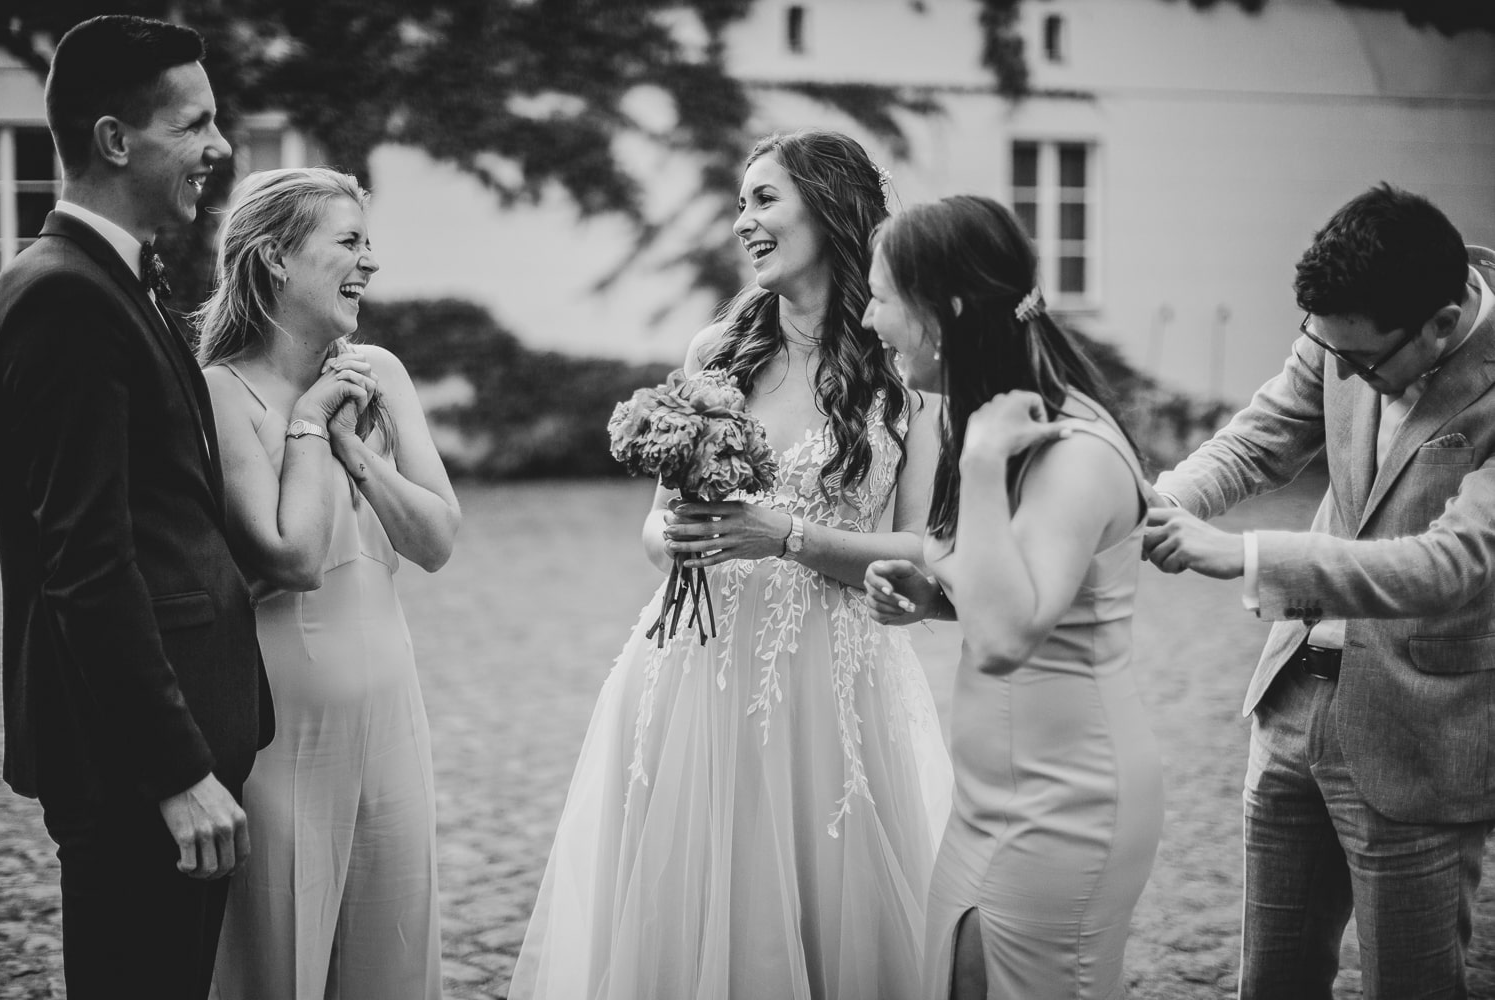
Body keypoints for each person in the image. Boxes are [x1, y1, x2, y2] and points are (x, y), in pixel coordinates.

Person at [509, 128, 952, 1000]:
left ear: (828, 209)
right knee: (688, 910)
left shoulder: (903, 368)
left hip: (831, 686)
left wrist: (782, 535)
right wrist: (676, 535)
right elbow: (654, 529)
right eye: (739, 202)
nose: (743, 221)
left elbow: (920, 550)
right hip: (693, 676)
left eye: (763, 199)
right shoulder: (717, 352)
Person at [1142, 184, 1495, 998]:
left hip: (1422, 734)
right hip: (1292, 699)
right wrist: (1157, 504)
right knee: (1271, 980)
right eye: (1323, 350)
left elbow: (1451, 566)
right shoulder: (1346, 334)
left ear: (1441, 325)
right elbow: (1257, 441)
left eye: (1360, 361)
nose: (1338, 371)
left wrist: (1249, 557)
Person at [0, 15, 267, 1000]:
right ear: (115, 140)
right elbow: (86, 562)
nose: (219, 147)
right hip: (136, 771)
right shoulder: (63, 297)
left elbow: (162, 508)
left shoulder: (118, 283)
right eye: (192, 124)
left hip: (177, 738)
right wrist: (175, 771)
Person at [862, 195, 1164, 1000]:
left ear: (946, 310)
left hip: (1067, 802)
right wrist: (932, 595)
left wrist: (984, 470)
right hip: (988, 799)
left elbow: (1006, 640)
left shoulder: (1072, 451)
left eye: (883, 296)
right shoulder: (982, 420)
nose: (867, 317)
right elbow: (1011, 586)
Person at [193, 167, 460, 1000]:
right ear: (274, 258)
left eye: (368, 244)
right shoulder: (221, 392)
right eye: (348, 242)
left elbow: (437, 539)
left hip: (391, 713)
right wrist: (311, 420)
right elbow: (286, 560)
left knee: (392, 951)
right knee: (283, 956)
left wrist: (355, 452)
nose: (368, 264)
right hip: (280, 733)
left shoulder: (379, 371)